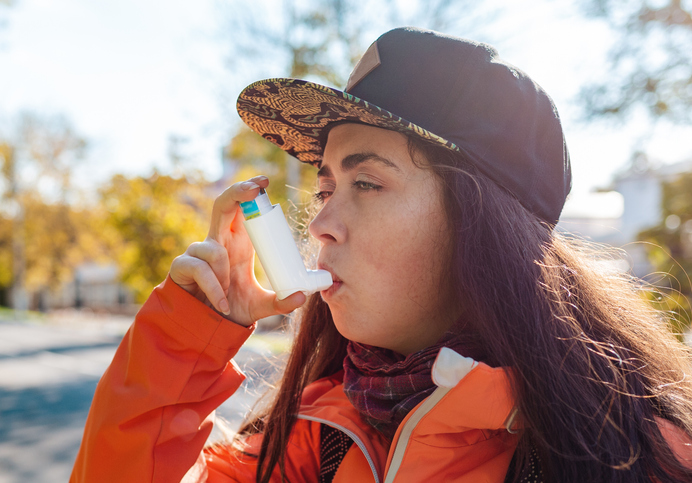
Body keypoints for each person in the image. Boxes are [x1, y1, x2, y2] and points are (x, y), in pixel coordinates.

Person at [71, 27, 692, 483]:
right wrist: (187, 337)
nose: (322, 224)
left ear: (484, 226)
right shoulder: (315, 440)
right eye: (325, 188)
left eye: (366, 183)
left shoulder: (646, 462)